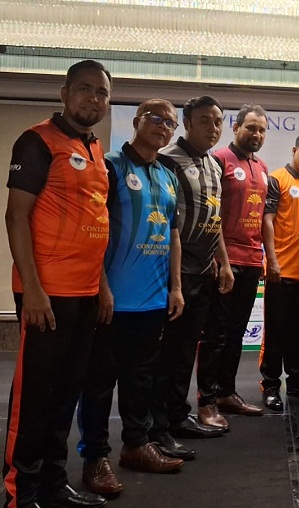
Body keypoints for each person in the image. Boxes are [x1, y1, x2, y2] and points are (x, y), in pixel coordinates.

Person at [3, 59, 111, 508]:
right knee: (35, 397)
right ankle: (20, 492)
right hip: (46, 293)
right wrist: (33, 289)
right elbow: (16, 217)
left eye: (101, 92)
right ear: (64, 93)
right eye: (84, 89)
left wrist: (102, 286)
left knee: (66, 393)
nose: (93, 98)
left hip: (86, 293)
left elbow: (95, 221)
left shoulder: (95, 148)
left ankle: (52, 483)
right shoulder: (37, 141)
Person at [77, 100, 186, 498]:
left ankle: (136, 446)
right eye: (156, 119)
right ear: (137, 121)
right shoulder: (110, 166)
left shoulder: (168, 175)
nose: (163, 126)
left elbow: (173, 235)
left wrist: (175, 287)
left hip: (154, 301)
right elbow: (92, 230)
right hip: (112, 301)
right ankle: (95, 458)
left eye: (170, 122)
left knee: (141, 381)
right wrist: (101, 286)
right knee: (99, 384)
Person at [151, 96, 234, 452]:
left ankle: (177, 416)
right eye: (204, 120)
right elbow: (163, 221)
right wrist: (175, 279)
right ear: (186, 123)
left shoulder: (214, 164)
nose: (212, 128)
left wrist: (223, 262)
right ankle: (155, 428)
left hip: (203, 271)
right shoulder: (167, 158)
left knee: (186, 351)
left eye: (217, 121)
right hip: (174, 274)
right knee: (166, 354)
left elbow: (215, 219)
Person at [195, 104, 270, 430]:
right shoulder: (219, 160)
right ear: (236, 127)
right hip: (225, 263)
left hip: (252, 261)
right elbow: (212, 217)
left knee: (237, 332)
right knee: (216, 334)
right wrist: (222, 261)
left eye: (262, 130)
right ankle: (206, 401)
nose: (256, 134)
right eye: (251, 127)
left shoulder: (262, 167)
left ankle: (227, 393)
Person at [259, 133, 299, 411]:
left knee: (298, 333)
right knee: (276, 333)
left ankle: (296, 382)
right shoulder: (277, 179)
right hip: (281, 272)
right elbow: (267, 221)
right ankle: (271, 384)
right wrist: (271, 261)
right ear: (295, 150)